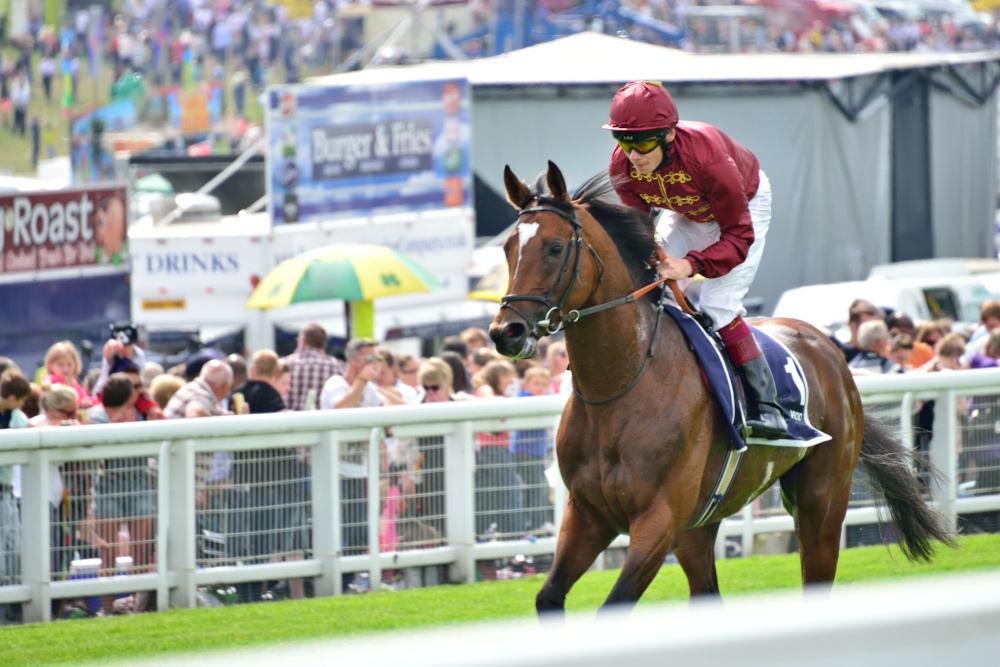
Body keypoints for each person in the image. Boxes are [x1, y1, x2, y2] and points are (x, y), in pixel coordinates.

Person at [604, 80, 787, 438]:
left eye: (642, 143)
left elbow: (739, 236)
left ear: (669, 136)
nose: (633, 155)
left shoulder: (708, 158)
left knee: (718, 304)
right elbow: (642, 231)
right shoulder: (622, 168)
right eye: (624, 142)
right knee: (652, 291)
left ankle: (770, 407)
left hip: (742, 207)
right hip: (687, 210)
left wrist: (691, 265)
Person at [87, 373, 153, 614]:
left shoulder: (145, 411)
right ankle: (108, 609)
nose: (141, 390)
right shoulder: (98, 417)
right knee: (108, 552)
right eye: (136, 387)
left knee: (142, 551)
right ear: (128, 396)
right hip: (110, 482)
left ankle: (136, 605)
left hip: (139, 482)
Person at [510, 366, 554, 533]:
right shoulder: (523, 398)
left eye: (544, 384)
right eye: (536, 383)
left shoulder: (546, 399)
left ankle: (534, 523)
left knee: (535, 487)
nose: (540, 387)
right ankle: (537, 523)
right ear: (527, 384)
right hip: (525, 451)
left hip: (537, 452)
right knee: (539, 486)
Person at [0, 370, 30, 621]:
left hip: (7, 494)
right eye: (19, 400)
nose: (22, 405)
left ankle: (9, 612)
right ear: (10, 397)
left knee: (12, 551)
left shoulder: (17, 417)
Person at [282, 323, 344, 411]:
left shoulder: (283, 364)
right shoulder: (337, 366)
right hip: (324, 423)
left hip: (287, 422)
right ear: (324, 343)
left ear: (303, 341)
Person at [319, 339, 383, 410]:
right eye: (369, 358)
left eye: (377, 358)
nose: (375, 363)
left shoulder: (369, 387)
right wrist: (362, 379)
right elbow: (342, 408)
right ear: (353, 361)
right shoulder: (335, 383)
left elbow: (385, 408)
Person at [41, 341, 94, 409]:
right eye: (60, 365)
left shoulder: (74, 382)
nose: (65, 369)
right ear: (51, 365)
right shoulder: (49, 383)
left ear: (75, 364)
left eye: (69, 364)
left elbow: (84, 397)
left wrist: (87, 402)